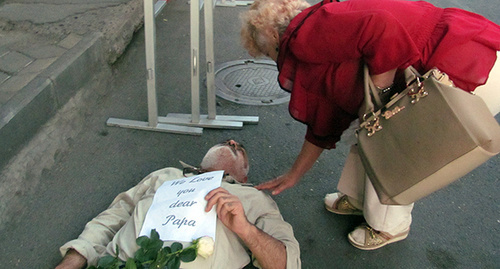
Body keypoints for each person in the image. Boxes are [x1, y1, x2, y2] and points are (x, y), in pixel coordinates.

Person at [240, 0, 500, 250]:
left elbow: (382, 26)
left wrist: (381, 92)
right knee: (371, 129)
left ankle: (389, 226)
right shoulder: (320, 23)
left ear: (274, 36)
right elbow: (326, 119)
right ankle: (360, 199)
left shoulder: (305, 35)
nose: (274, 60)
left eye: (267, 53)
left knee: (393, 143)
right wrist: (294, 173)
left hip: (464, 64)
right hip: (462, 48)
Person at [55, 140, 301, 269]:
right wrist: (74, 259)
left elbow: (286, 264)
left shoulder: (254, 199)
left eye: (239, 148)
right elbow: (114, 216)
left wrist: (246, 229)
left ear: (244, 178)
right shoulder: (166, 175)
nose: (233, 141)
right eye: (227, 141)